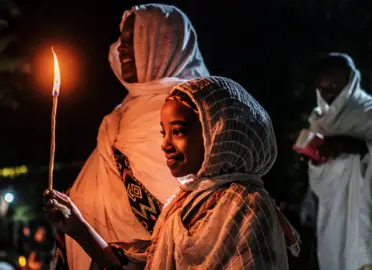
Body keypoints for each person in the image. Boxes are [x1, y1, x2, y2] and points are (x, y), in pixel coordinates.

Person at [45, 76, 300, 269]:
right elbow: (140, 264)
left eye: (178, 131)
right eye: (162, 132)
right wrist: (78, 228)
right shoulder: (180, 206)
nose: (165, 144)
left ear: (218, 134)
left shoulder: (245, 206)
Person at [62, 4, 209, 270]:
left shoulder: (191, 112)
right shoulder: (121, 115)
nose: (121, 48)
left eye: (133, 39)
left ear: (163, 42)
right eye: (122, 39)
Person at [305, 53, 372, 270]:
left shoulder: (367, 112)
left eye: (334, 85)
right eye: (323, 89)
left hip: (363, 208)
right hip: (333, 215)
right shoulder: (319, 121)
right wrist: (315, 161)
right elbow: (319, 181)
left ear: (349, 80)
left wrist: (349, 146)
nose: (329, 93)